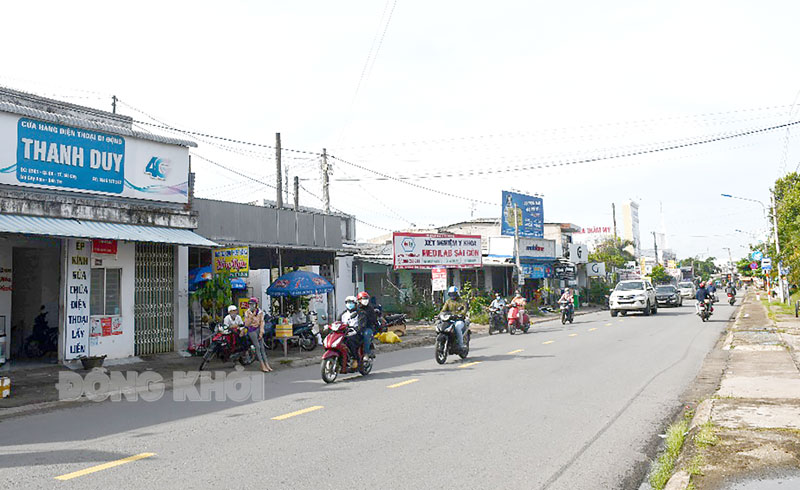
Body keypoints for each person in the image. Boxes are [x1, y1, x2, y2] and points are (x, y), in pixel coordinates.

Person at [244, 297, 272, 372]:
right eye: (250, 304)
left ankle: (267, 364)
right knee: (257, 347)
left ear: (256, 305)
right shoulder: (247, 312)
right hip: (251, 330)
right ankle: (262, 365)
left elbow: (262, 322)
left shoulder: (260, 312)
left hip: (258, 329)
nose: (251, 306)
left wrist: (261, 332)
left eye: (252, 304)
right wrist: (252, 316)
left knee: (262, 348)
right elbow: (246, 324)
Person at [440, 286, 468, 354]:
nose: (452, 295)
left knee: (457, 327)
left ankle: (461, 345)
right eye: (451, 294)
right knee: (441, 325)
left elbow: (464, 310)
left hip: (459, 319)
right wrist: (440, 314)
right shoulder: (448, 302)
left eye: (454, 294)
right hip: (450, 319)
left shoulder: (461, 301)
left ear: (457, 294)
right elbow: (443, 310)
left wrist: (460, 314)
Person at [357, 291, 379, 361]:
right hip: (357, 328)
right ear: (359, 300)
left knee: (366, 334)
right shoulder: (356, 308)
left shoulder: (370, 309)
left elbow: (374, 320)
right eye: (363, 299)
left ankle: (366, 353)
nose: (365, 300)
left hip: (367, 328)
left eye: (366, 299)